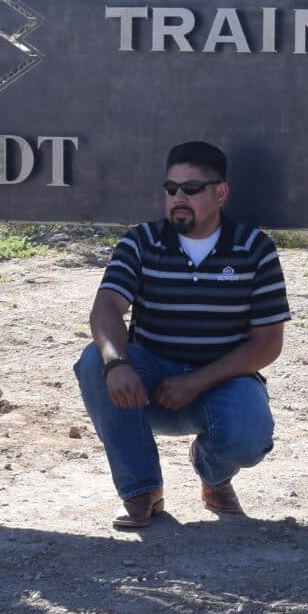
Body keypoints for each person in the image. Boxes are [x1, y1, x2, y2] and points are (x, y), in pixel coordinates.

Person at [71, 142, 288, 528]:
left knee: (250, 437)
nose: (178, 198)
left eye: (191, 189)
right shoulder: (141, 242)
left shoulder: (255, 248)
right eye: (170, 189)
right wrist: (117, 363)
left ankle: (213, 477)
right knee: (95, 359)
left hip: (221, 382)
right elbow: (106, 308)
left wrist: (196, 381)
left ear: (220, 192)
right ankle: (141, 492)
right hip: (149, 385)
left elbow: (268, 341)